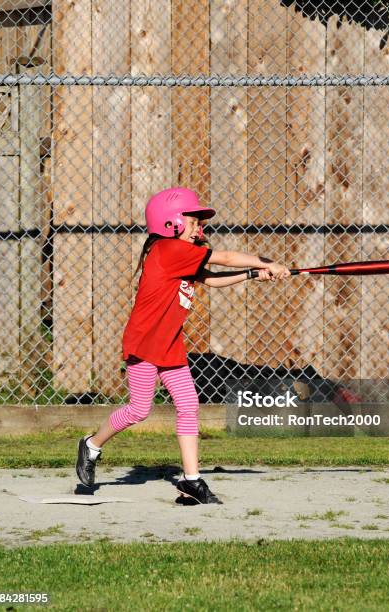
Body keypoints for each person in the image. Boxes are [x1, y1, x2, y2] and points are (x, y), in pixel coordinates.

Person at [76, 187, 290, 504]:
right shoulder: (168, 250)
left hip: (170, 344)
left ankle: (191, 481)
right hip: (146, 343)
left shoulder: (183, 255)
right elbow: (227, 257)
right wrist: (270, 262)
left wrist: (254, 274)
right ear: (171, 222)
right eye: (193, 221)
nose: (199, 228)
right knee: (139, 410)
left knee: (188, 405)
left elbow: (212, 278)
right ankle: (91, 445)